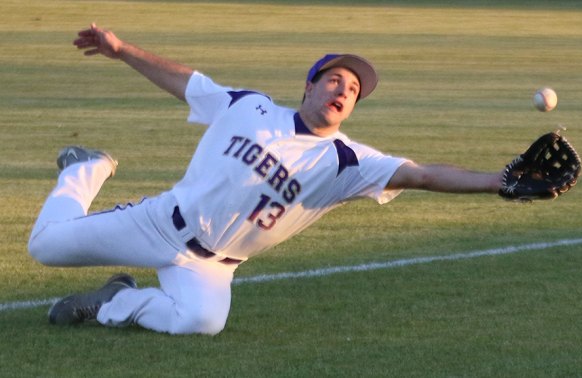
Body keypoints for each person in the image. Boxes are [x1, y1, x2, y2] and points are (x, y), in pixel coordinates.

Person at [28, 23, 503, 335]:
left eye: (354, 90)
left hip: (213, 267)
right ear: (310, 85)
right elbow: (186, 83)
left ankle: (117, 302)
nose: (344, 90)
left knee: (201, 322)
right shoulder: (248, 106)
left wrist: (497, 181)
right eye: (336, 80)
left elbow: (421, 174)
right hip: (159, 224)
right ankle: (85, 168)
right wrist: (121, 50)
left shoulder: (346, 161)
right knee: (44, 246)